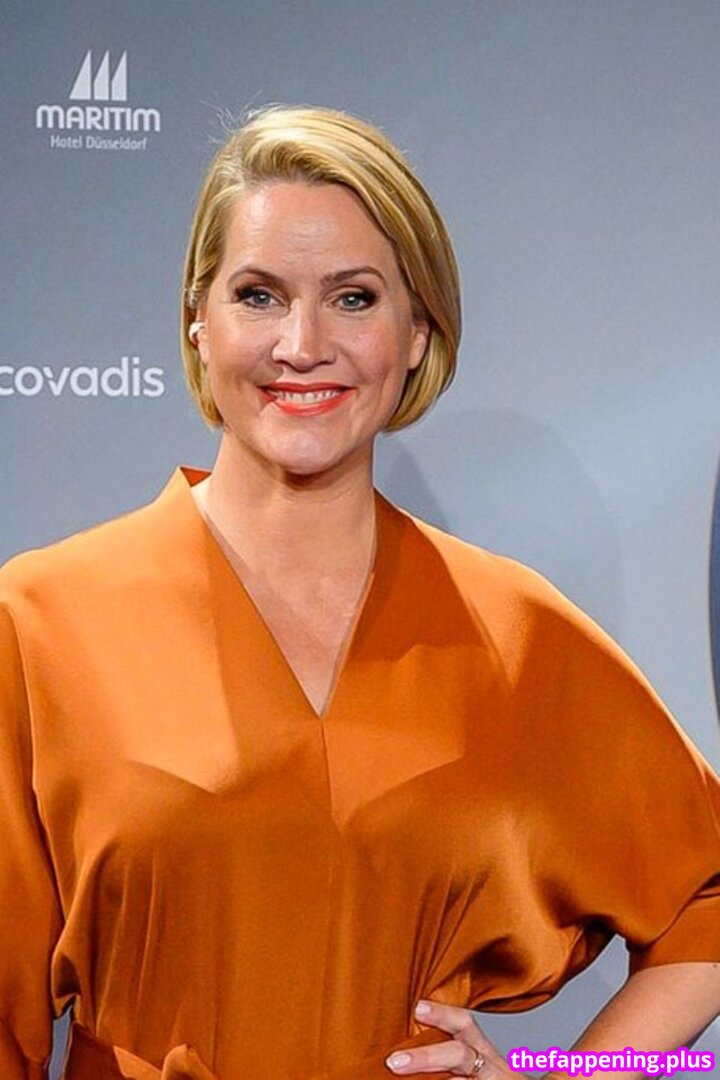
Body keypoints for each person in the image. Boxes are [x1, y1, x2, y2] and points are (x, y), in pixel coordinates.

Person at [1, 104, 719, 1080]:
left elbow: (705, 896)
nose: (303, 344)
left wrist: (569, 1078)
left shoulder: (508, 629)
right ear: (199, 322)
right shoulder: (43, 622)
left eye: (353, 298)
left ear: (417, 332)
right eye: (259, 295)